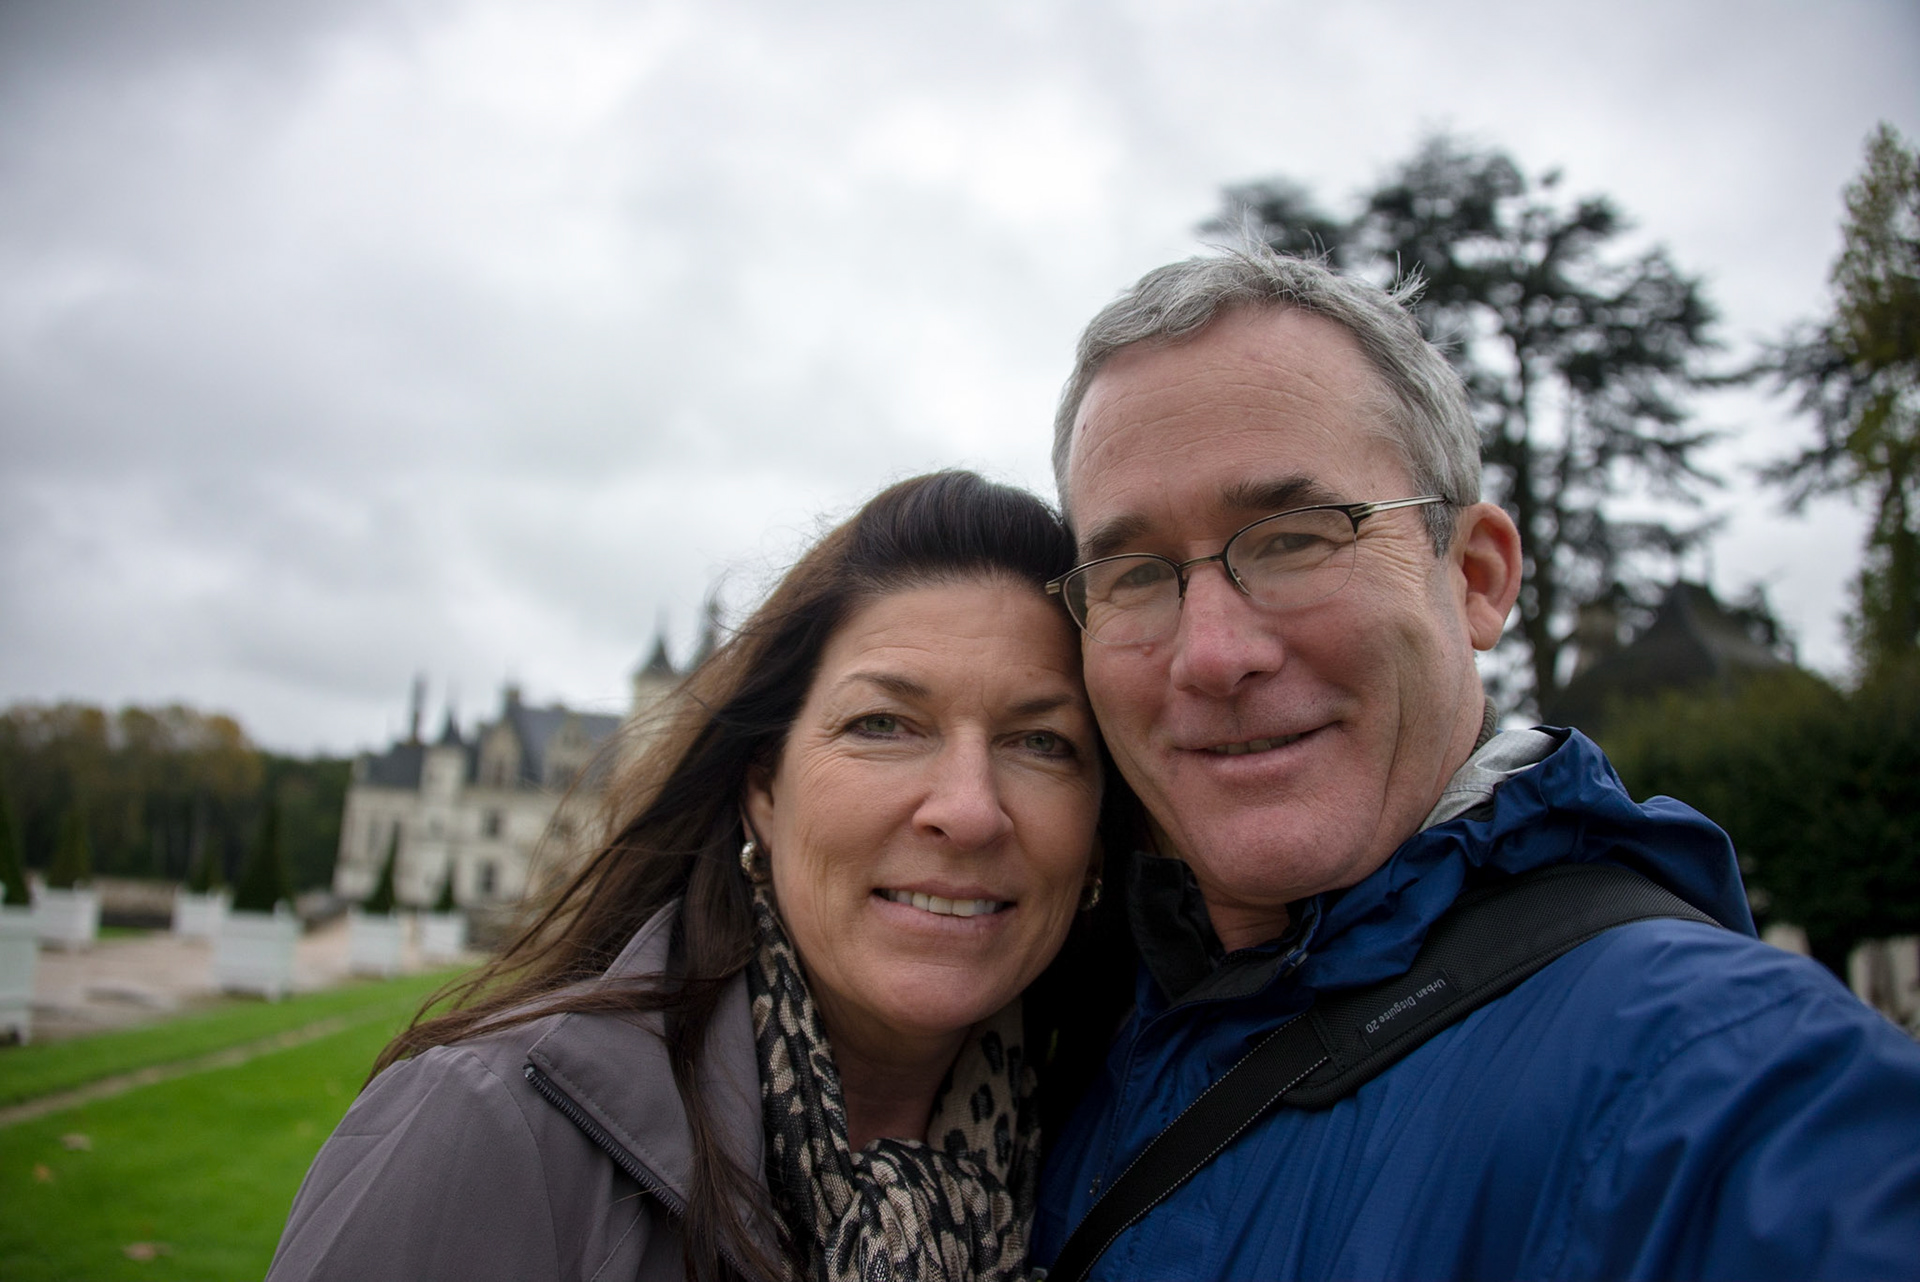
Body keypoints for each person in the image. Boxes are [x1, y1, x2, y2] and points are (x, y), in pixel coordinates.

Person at [1030, 247, 1920, 1280]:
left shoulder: (1725, 1081)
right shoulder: (1051, 1049)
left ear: (1479, 578)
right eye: (1135, 574)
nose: (1214, 654)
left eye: (1293, 539)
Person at [268, 471, 1114, 1282]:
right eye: (884, 723)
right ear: (763, 790)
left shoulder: (1120, 1164)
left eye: (1042, 742)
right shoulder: (486, 1134)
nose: (968, 811)